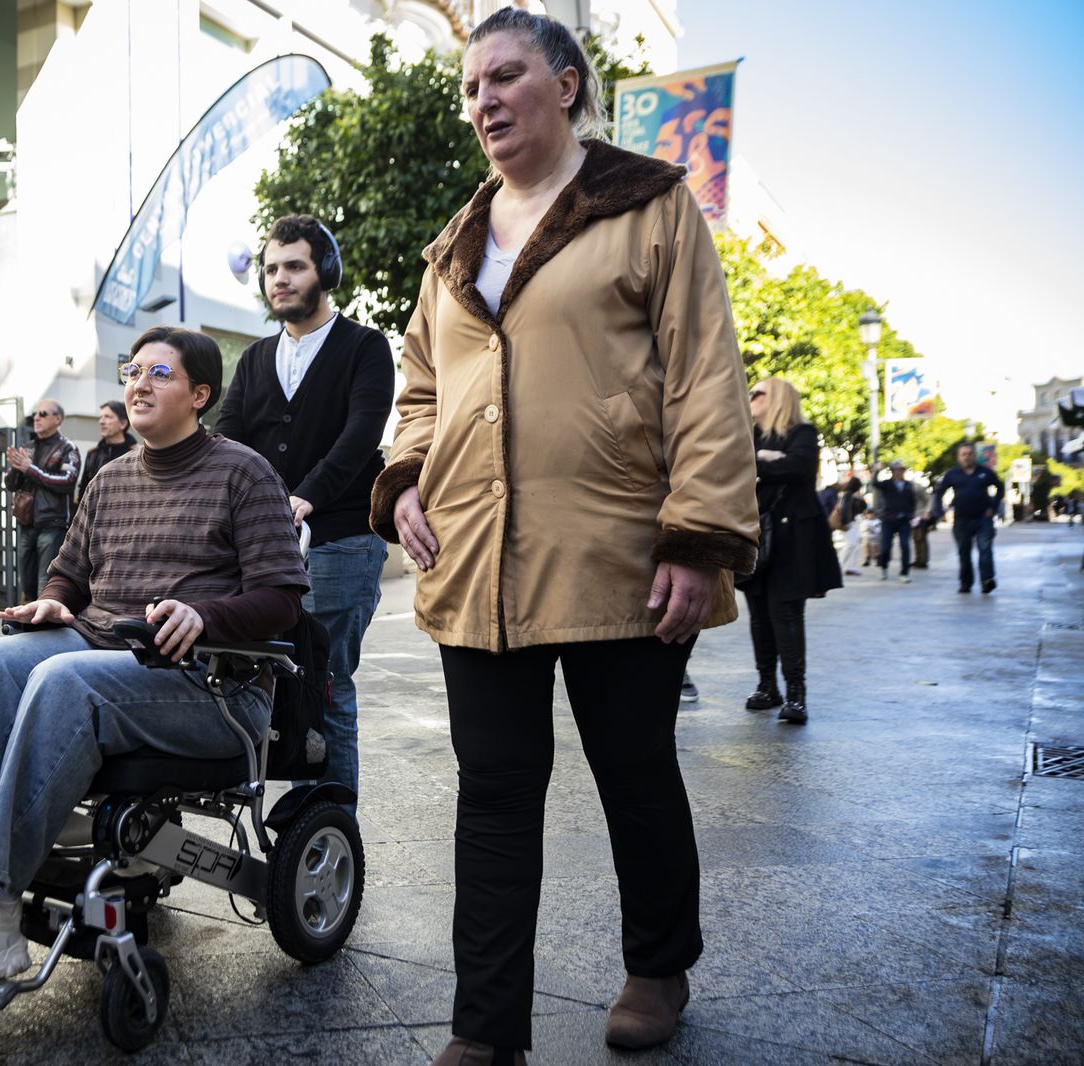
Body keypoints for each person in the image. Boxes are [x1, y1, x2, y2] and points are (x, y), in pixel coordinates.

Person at [366, 11, 759, 1060]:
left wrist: (698, 535)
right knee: (494, 792)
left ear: (569, 85)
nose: (483, 100)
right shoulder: (450, 243)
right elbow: (418, 385)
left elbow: (706, 381)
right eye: (470, 87)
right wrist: (404, 476)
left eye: (505, 77)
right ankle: (485, 1028)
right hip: (473, 561)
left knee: (634, 768)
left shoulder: (649, 206)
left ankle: (657, 964)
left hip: (616, 553)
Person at [0, 326, 307, 990]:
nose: (138, 384)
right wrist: (55, 602)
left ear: (200, 394)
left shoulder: (243, 471)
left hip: (211, 684)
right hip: (104, 651)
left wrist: (205, 615)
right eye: (132, 370)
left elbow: (282, 597)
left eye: (159, 374)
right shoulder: (110, 478)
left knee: (65, 681)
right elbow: (69, 573)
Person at [215, 213, 396, 808]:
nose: (279, 278)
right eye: (271, 269)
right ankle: (291, 829)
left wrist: (305, 495)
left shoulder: (364, 346)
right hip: (263, 547)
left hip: (341, 538)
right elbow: (230, 438)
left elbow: (361, 434)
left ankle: (330, 828)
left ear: (326, 272)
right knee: (266, 683)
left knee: (325, 685)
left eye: (294, 265)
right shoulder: (256, 358)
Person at [739, 378, 843, 725]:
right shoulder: (750, 436)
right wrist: (764, 458)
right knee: (759, 613)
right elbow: (736, 465)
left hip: (793, 536)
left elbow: (798, 467)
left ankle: (796, 694)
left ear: (778, 398)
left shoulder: (803, 431)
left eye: (757, 392)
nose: (750, 397)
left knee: (785, 613)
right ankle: (767, 686)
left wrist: (760, 464)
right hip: (757, 534)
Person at [5, 398, 80, 603]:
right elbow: (11, 485)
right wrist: (14, 468)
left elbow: (67, 482)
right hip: (26, 523)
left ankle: (43, 627)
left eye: (43, 414)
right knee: (26, 581)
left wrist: (31, 469)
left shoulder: (67, 448)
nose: (36, 418)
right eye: (35, 414)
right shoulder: (28, 447)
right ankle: (27, 626)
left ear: (58, 419)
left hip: (52, 524)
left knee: (45, 582)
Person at [930, 442, 1004, 594]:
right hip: (961, 519)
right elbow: (939, 493)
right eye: (963, 454)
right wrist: (939, 511)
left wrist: (994, 507)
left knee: (985, 550)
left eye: (970, 454)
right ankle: (966, 582)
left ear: (974, 456)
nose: (967, 457)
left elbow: (1000, 488)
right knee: (964, 553)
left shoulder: (985, 472)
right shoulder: (952, 474)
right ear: (959, 457)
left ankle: (987, 580)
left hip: (983, 518)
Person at [76, 400, 136, 501]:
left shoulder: (136, 454)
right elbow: (83, 491)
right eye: (100, 417)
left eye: (108, 417)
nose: (101, 421)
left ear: (123, 423)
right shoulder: (93, 453)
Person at [874, 460, 916, 582]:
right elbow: (874, 483)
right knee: (885, 547)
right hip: (888, 520)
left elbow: (912, 501)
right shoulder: (887, 484)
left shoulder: (908, 485)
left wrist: (910, 514)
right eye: (897, 469)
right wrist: (876, 470)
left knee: (905, 545)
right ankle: (884, 567)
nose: (899, 472)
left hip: (904, 520)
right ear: (892, 471)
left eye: (901, 469)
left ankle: (904, 573)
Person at [835, 476, 866, 576]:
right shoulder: (848, 494)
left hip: (850, 522)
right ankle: (840, 565)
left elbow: (861, 507)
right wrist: (845, 522)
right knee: (852, 544)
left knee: (854, 544)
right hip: (848, 522)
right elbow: (844, 509)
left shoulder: (850, 495)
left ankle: (850, 567)